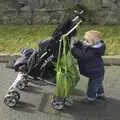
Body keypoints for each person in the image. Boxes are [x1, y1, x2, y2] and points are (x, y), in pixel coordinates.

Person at [71, 30, 106, 104]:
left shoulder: (92, 52)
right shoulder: (92, 46)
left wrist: (73, 49)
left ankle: (91, 98)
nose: (84, 41)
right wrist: (77, 43)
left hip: (95, 73)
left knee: (92, 87)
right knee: (98, 84)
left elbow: (82, 56)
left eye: (86, 40)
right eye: (84, 39)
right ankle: (101, 94)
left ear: (92, 42)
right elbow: (83, 46)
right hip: (96, 72)